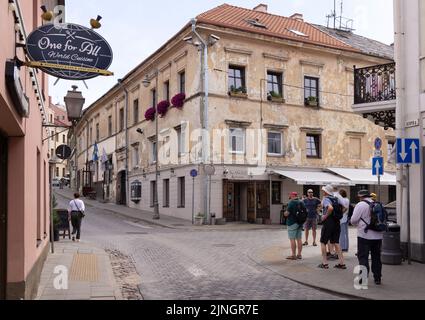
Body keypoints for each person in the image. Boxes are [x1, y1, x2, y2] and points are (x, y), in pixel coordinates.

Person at [351, 190, 384, 285]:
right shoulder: (377, 203)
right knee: (376, 257)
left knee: (363, 257)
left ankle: (363, 278)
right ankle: (377, 278)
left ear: (361, 196)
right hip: (378, 236)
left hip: (364, 235)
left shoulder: (360, 205)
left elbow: (353, 220)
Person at [318, 185, 346, 270]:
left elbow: (330, 208)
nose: (322, 192)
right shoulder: (336, 199)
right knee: (336, 242)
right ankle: (341, 263)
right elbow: (345, 207)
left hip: (328, 223)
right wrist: (338, 215)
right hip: (336, 222)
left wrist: (324, 217)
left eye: (323, 191)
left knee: (323, 242)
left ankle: (325, 263)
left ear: (326, 192)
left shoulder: (326, 199)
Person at [284, 192, 304, 260]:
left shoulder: (291, 203)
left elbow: (287, 214)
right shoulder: (301, 202)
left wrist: (285, 213)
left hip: (292, 223)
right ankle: (299, 254)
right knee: (299, 239)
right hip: (300, 223)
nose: (290, 197)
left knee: (292, 239)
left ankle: (293, 255)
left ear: (292, 196)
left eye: (290, 195)